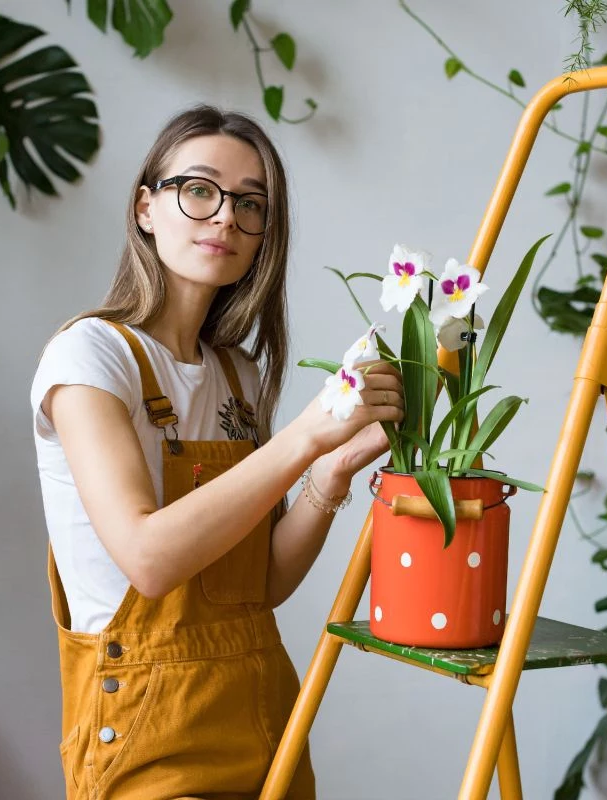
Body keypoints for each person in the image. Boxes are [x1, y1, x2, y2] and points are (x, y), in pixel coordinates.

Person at [30, 104, 404, 799]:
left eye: (250, 203)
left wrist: (332, 468)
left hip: (259, 712)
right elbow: (149, 559)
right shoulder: (89, 357)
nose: (225, 217)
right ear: (147, 208)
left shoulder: (238, 374)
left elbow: (257, 587)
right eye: (198, 190)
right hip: (147, 732)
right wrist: (305, 436)